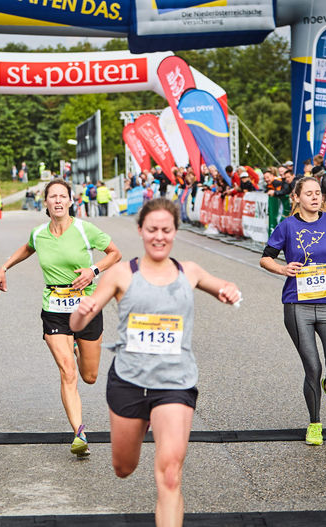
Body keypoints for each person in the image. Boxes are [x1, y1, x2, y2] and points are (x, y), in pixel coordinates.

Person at [70, 198, 241, 526]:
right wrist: (80, 315)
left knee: (171, 476)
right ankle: (141, 424)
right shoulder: (121, 274)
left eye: (166, 230)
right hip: (129, 382)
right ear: (140, 231)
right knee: (123, 468)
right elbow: (79, 324)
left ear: (175, 231)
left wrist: (229, 290)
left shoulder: (188, 271)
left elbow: (223, 286)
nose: (159, 236)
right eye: (152, 230)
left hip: (175, 385)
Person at [0, 179, 121, 457]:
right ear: (46, 203)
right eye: (53, 197)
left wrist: (93, 271)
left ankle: (76, 346)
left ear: (71, 201)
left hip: (86, 307)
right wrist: (4, 267)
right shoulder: (39, 233)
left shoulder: (86, 230)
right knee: (68, 371)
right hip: (54, 309)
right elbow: (28, 248)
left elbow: (115, 253)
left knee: (89, 376)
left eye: (63, 196)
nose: (58, 201)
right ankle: (79, 433)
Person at [259, 176, 326, 446]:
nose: (316, 197)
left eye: (318, 193)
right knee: (312, 367)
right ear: (297, 198)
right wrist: (282, 268)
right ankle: (314, 424)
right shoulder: (287, 226)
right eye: (309, 193)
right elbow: (265, 257)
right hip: (297, 305)